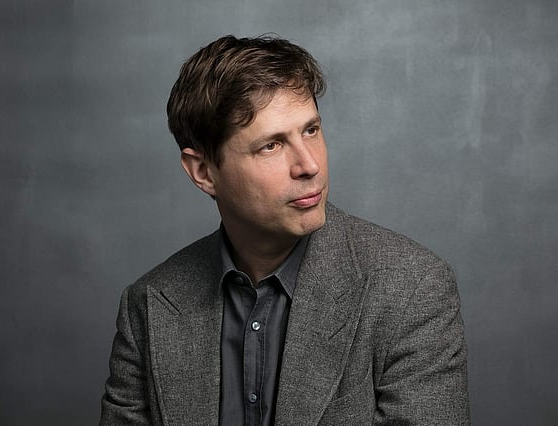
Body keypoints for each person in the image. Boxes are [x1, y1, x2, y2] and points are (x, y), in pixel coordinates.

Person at [100, 35, 470, 425]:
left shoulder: (412, 288)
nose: (309, 165)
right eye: (271, 146)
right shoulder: (148, 306)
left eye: (311, 130)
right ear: (204, 172)